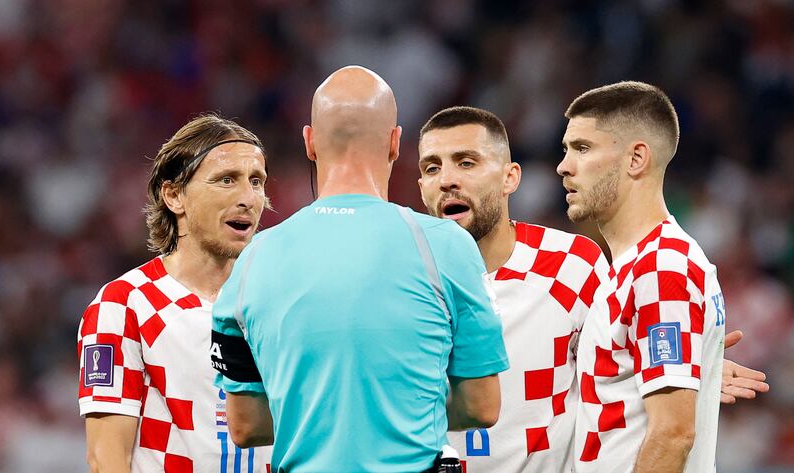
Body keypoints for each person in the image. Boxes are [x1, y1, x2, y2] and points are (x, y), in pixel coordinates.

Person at [417, 105, 769, 473]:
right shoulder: (402, 281)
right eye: (432, 168)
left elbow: (619, 349)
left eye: (466, 163)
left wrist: (680, 365)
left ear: (510, 177)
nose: (447, 180)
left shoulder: (572, 265)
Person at [210, 66, 509, 473]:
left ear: (310, 142)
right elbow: (481, 405)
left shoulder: (251, 260)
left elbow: (243, 425)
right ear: (395, 142)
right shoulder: (445, 245)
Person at [77, 114, 270, 472]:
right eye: (227, 180)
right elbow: (107, 460)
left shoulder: (278, 304)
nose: (248, 198)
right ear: (174, 195)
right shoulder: (124, 305)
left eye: (256, 181)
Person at [557, 81, 723, 472]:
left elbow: (673, 434)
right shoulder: (632, 268)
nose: (564, 165)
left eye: (583, 148)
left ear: (636, 159)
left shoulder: (662, 265)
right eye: (566, 150)